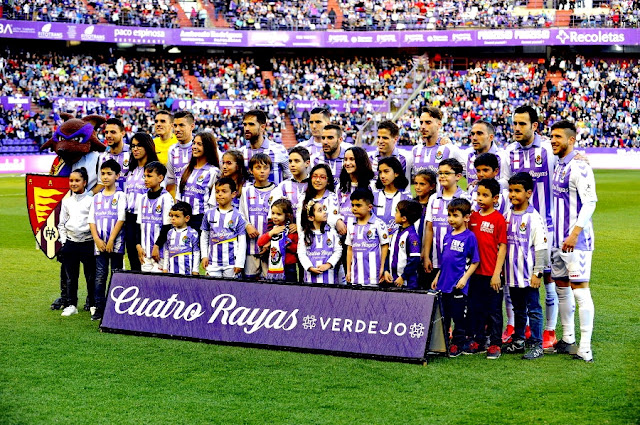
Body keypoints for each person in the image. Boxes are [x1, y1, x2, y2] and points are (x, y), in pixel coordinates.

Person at [502, 105, 559, 350]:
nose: (516, 128)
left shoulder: (547, 150)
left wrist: (577, 155)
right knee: (515, 280)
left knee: (546, 280)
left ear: (534, 126)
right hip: (517, 226)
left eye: (522, 124)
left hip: (546, 226)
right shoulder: (508, 152)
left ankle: (549, 331)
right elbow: (505, 187)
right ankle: (517, 328)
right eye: (514, 123)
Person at [550, 120, 597, 362]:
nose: (553, 140)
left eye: (558, 136)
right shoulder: (559, 164)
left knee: (580, 291)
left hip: (575, 241)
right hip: (558, 240)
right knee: (562, 288)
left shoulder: (579, 167)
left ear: (571, 140)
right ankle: (568, 338)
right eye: (551, 136)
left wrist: (575, 234)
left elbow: (590, 202)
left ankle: (585, 348)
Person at [502, 172, 548, 360]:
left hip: (528, 275)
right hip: (512, 274)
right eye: (511, 191)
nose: (512, 195)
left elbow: (541, 247)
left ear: (529, 193)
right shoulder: (507, 215)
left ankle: (537, 344)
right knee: (518, 308)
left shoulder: (534, 217)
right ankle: (519, 340)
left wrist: (538, 273)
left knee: (534, 309)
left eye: (517, 191)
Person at [430, 198, 480, 357]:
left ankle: (457, 344)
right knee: (445, 315)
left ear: (466, 217)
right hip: (443, 284)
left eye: (455, 215)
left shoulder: (469, 237)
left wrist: (464, 279)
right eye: (449, 215)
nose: (451, 219)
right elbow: (445, 260)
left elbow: (475, 261)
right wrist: (437, 276)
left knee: (458, 316)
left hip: (458, 286)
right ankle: (443, 343)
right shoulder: (447, 236)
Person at [466, 178, 507, 359]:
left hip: (492, 274)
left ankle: (496, 344)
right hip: (475, 273)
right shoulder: (472, 218)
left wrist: (497, 273)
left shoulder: (498, 219)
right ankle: (479, 340)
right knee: (476, 308)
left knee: (494, 311)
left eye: (485, 195)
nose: (480, 198)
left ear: (495, 198)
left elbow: (502, 247)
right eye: (478, 194)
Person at [88, 159, 126, 321]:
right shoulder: (96, 198)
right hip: (100, 244)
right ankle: (99, 307)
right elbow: (92, 220)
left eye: (109, 174)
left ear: (117, 176)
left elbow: (121, 218)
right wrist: (96, 238)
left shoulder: (121, 196)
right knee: (100, 275)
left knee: (116, 274)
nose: (105, 177)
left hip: (115, 243)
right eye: (103, 174)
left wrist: (111, 240)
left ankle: (115, 306)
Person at [422, 158, 469, 283]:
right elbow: (429, 228)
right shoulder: (433, 198)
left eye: (447, 173)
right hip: (435, 259)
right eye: (440, 173)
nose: (442, 176)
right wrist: (426, 255)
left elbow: (467, 231)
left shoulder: (465, 198)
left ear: (458, 176)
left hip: (456, 260)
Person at [57, 167, 96, 317]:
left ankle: (92, 303)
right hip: (71, 244)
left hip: (88, 242)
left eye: (77, 180)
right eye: (71, 180)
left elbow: (94, 222)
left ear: (84, 182)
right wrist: (64, 241)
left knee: (90, 276)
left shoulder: (91, 201)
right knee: (71, 277)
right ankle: (71, 304)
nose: (73, 183)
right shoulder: (66, 202)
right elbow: (61, 224)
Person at [125, 133, 159, 271]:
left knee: (146, 258)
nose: (135, 149)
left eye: (139, 145)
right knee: (132, 257)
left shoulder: (154, 170)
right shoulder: (131, 170)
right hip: (129, 218)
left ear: (148, 146)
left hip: (146, 219)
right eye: (133, 146)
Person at [240, 153, 277, 280]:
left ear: (270, 170)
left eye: (265, 168)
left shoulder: (277, 191)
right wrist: (247, 225)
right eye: (257, 168)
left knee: (270, 283)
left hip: (270, 247)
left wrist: (271, 241)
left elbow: (281, 220)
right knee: (250, 282)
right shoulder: (246, 191)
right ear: (251, 170)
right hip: (251, 247)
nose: (262, 171)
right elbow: (241, 213)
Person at [201, 178, 247, 278]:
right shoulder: (209, 214)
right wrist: (204, 255)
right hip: (213, 262)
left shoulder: (238, 216)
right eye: (217, 192)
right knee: (212, 289)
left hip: (231, 263)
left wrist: (239, 263)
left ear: (233, 194)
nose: (220, 194)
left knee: (230, 290)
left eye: (224, 191)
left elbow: (242, 241)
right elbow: (204, 236)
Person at [176, 132, 221, 233]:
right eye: (194, 143)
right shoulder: (185, 169)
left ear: (208, 147)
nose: (194, 147)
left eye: (199, 144)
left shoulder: (213, 172)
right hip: (183, 220)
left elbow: (215, 202)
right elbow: (178, 197)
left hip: (201, 220)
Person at [135, 161, 174, 273]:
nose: (146, 179)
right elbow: (138, 224)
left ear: (160, 178)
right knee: (146, 284)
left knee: (159, 284)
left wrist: (157, 246)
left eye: (149, 176)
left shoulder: (166, 198)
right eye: (145, 176)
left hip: (160, 252)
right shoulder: (142, 198)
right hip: (145, 251)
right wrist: (138, 245)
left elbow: (167, 226)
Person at [345, 188, 389, 287]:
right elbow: (349, 249)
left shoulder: (378, 224)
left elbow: (385, 246)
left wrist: (382, 267)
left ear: (369, 207)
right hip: (356, 275)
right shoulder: (351, 224)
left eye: (358, 205)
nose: (354, 208)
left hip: (373, 275)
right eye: (352, 205)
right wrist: (348, 271)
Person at [410, 106, 465, 178]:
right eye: (421, 123)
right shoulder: (415, 150)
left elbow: (469, 174)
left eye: (428, 122)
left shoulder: (450, 149)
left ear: (439, 125)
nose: (423, 126)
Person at [298, 199, 344, 284]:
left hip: (330, 279)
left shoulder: (331, 232)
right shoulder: (304, 235)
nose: (324, 212)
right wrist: (310, 268)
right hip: (310, 279)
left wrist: (328, 265)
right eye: (320, 210)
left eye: (324, 209)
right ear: (311, 217)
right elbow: (301, 254)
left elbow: (338, 250)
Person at [239, 109, 290, 185]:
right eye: (245, 124)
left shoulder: (279, 150)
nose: (246, 128)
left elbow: (291, 177)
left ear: (262, 127)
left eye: (251, 124)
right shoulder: (241, 153)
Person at [383, 200, 422, 289]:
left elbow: (414, 260)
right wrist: (386, 270)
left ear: (404, 218)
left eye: (397, 211)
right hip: (392, 280)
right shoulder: (396, 233)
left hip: (407, 283)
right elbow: (389, 254)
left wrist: (403, 277)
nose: (394, 214)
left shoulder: (412, 236)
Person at [258, 199, 299, 282]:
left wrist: (288, 246)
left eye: (279, 214)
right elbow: (260, 242)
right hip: (274, 265)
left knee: (290, 288)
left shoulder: (291, 231)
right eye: (273, 213)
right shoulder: (273, 229)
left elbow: (297, 248)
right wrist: (271, 233)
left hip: (289, 265)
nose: (275, 217)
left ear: (287, 215)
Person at [337, 146, 375, 233]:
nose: (347, 163)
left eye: (352, 159)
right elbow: (334, 210)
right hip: (342, 236)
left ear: (361, 161)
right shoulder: (340, 187)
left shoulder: (371, 186)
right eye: (345, 159)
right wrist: (337, 221)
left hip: (364, 238)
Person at [296, 163, 341, 232]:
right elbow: (299, 222)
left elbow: (332, 221)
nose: (317, 180)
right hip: (308, 238)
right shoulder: (303, 197)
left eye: (322, 177)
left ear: (328, 181)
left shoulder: (332, 197)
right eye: (315, 176)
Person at [373, 157, 411, 237]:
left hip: (397, 244)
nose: (382, 176)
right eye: (380, 172)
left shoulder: (406, 197)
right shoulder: (373, 196)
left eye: (386, 171)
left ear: (396, 173)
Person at [270, 146, 310, 220]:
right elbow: (275, 213)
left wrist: (299, 226)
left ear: (307, 163)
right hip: (288, 230)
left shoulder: (314, 185)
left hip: (309, 230)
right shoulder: (283, 186)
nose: (292, 164)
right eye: (290, 161)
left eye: (296, 161)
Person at [162, 202, 200, 275]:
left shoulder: (192, 233)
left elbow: (196, 253)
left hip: (187, 272)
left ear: (187, 218)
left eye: (177, 216)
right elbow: (167, 251)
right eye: (172, 215)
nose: (173, 218)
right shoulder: (170, 233)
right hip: (172, 272)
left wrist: (195, 270)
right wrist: (165, 268)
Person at [466, 120, 506, 186]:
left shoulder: (503, 158)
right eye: (472, 134)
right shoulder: (467, 154)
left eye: (479, 133)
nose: (474, 138)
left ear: (491, 137)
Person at [166, 111, 196, 197]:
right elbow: (171, 180)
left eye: (181, 125)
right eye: (175, 126)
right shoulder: (172, 150)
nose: (177, 129)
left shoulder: (203, 147)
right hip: (180, 204)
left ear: (192, 126)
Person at [96, 118, 130, 193]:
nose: (108, 135)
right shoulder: (102, 157)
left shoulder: (132, 154)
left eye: (113, 132)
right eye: (106, 132)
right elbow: (101, 183)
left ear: (123, 133)